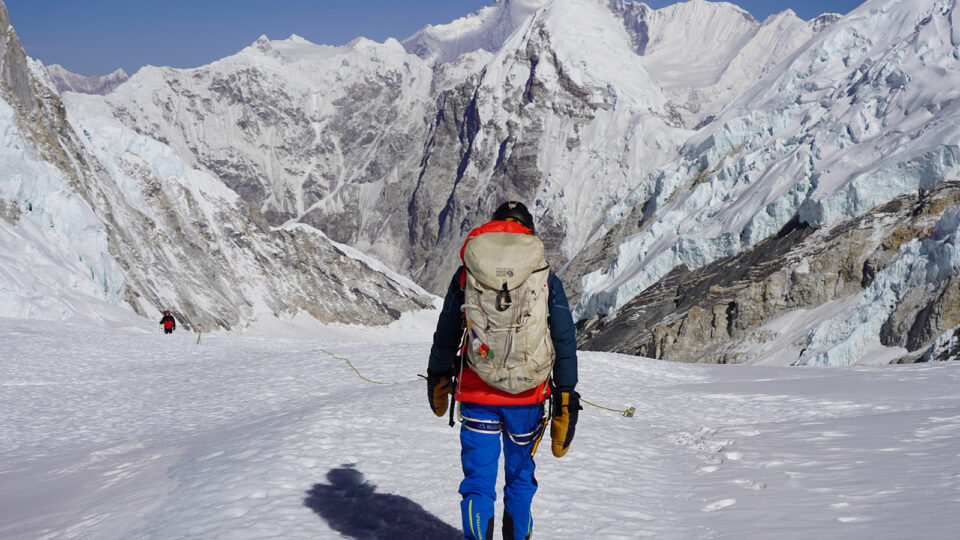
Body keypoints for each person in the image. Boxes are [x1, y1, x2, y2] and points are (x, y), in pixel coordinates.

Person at [426, 201, 580, 540]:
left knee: (478, 483)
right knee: (520, 478)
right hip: (528, 397)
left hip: (477, 394)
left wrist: (437, 374)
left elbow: (447, 330)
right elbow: (563, 340)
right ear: (529, 232)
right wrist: (566, 395)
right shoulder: (545, 277)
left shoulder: (468, 273)